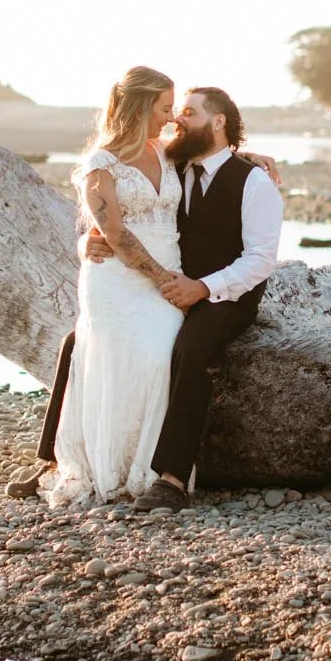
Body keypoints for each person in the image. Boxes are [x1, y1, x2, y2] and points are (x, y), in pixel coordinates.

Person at [40, 82, 283, 511]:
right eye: (173, 111)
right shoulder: (175, 161)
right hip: (168, 286)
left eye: (188, 112)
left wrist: (204, 287)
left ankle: (170, 478)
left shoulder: (255, 184)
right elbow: (116, 189)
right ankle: (53, 460)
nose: (176, 120)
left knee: (189, 350)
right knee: (77, 340)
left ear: (219, 121)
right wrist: (86, 244)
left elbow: (261, 260)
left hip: (228, 296)